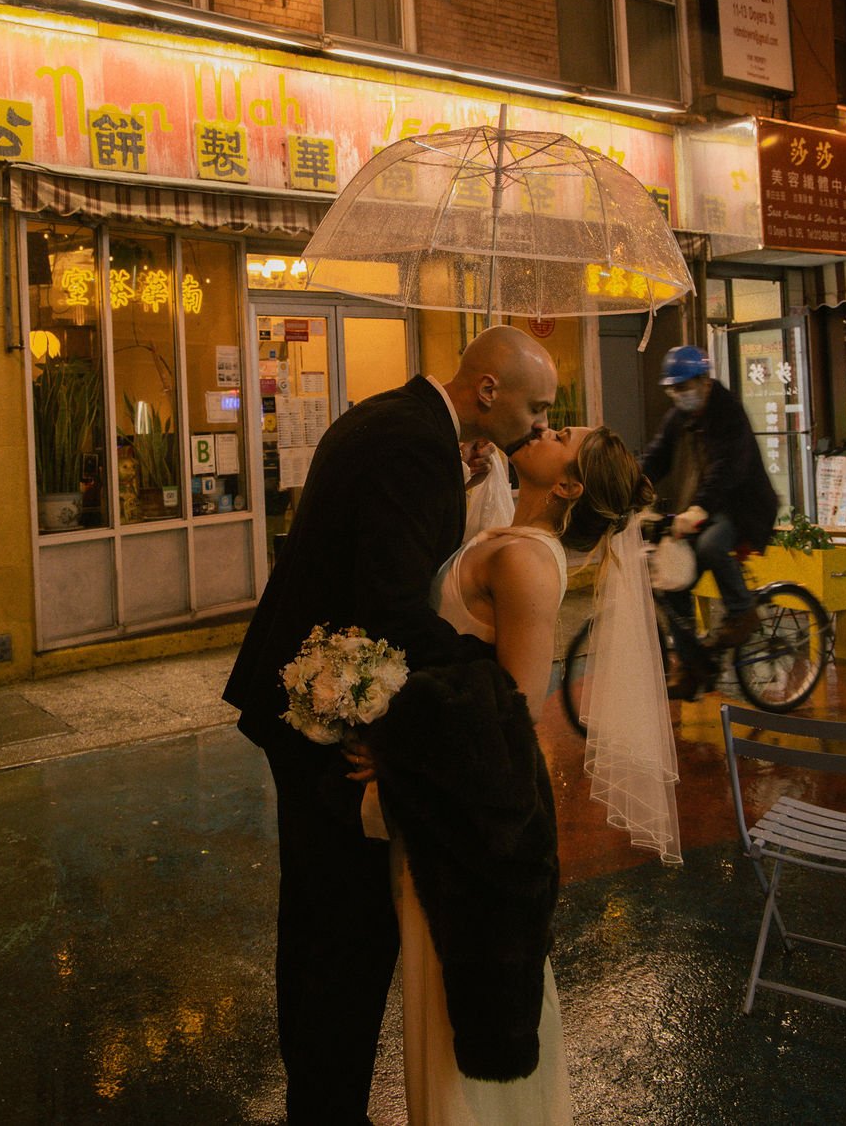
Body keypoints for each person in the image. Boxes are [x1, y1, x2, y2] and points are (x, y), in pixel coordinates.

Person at [221, 324, 557, 1125]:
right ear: (487, 391)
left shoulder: (396, 421)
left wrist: (461, 473)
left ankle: (323, 1097)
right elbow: (391, 603)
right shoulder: (414, 446)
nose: (541, 424)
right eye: (536, 407)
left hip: (304, 692)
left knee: (320, 920)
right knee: (343, 930)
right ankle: (327, 1106)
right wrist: (490, 686)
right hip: (321, 712)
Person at [358, 425, 678, 1124]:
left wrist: (395, 745)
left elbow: (513, 707)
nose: (549, 425)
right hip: (445, 798)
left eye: (566, 435)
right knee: (439, 987)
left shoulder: (529, 563)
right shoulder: (505, 530)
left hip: (467, 818)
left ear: (567, 486)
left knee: (457, 993)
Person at [641, 345, 779, 701]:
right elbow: (656, 457)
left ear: (704, 380)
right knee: (673, 580)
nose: (679, 394)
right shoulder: (679, 417)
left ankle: (742, 612)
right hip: (706, 506)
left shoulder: (727, 410)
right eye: (674, 388)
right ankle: (693, 667)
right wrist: (628, 487)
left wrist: (697, 509)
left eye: (685, 386)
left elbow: (728, 468)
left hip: (742, 508)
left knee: (712, 545)